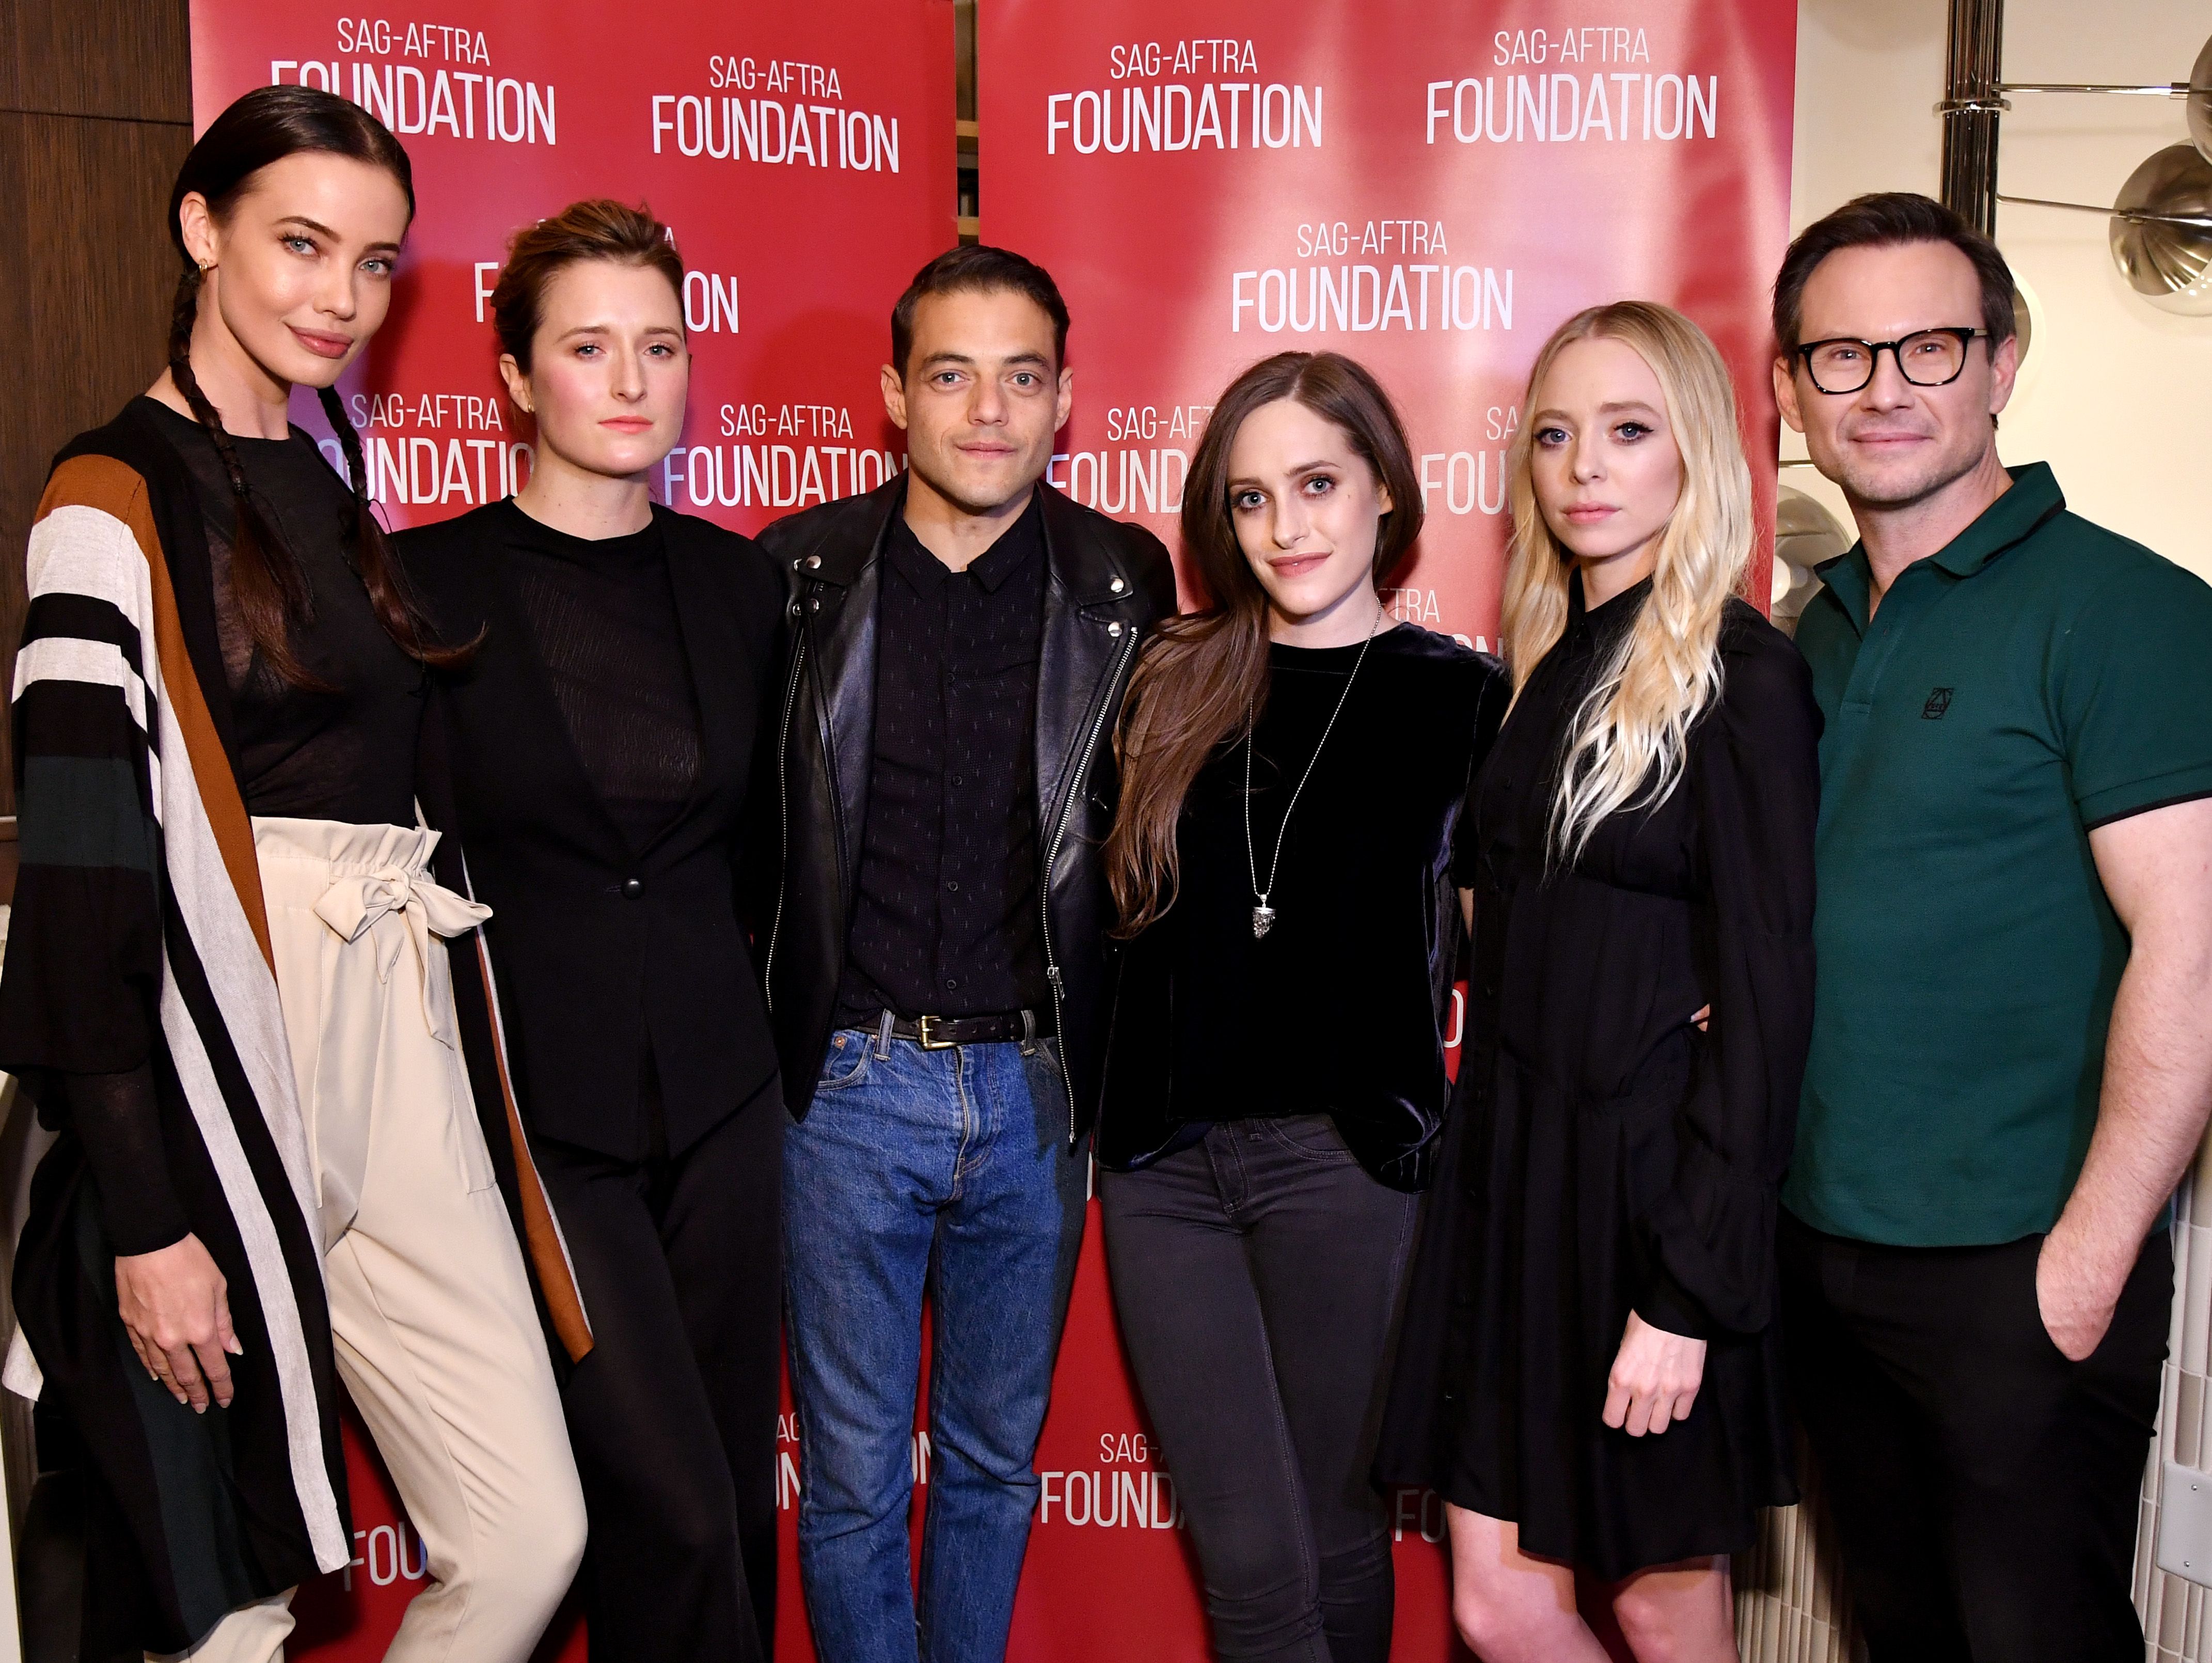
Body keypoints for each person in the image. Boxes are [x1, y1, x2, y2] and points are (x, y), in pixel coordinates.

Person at [0, 85, 584, 1663]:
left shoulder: (328, 479)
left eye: (376, 262)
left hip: (390, 1027)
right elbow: (80, 895)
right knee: (227, 1607)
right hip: (207, 1051)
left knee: (528, 1532)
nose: (341, 298)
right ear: (201, 228)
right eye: (302, 245)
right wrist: (144, 1223)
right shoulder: (105, 499)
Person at [1773, 191, 2212, 1663]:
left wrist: (2082, 1266)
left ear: (2002, 360)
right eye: (1840, 355)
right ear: (1790, 389)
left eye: (1931, 346)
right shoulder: (1811, 632)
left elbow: (2194, 947)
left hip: (2019, 1271)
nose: (1884, 387)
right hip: (1823, 1254)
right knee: (1899, 1635)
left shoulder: (2127, 610)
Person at [1376, 301, 1818, 1662]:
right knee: (1497, 1605)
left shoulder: (1742, 678)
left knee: (1655, 1608)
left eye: (1628, 431)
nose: (1583, 467)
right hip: (1512, 1188)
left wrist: (1687, 1293)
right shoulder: (1546, 667)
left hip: (1648, 1206)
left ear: (1695, 453)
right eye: (1556, 435)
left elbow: (1767, 1007)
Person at [755, 244, 1174, 1663]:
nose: (988, 409)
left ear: (1065, 397)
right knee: (856, 1481)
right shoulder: (801, 574)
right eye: (951, 374)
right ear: (894, 394)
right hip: (845, 1087)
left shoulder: (1121, 580)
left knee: (995, 1466)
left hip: (1037, 1096)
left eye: (1021, 376)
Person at [396, 199, 787, 1663]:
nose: (631, 380)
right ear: (514, 375)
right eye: (587, 347)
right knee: (667, 1507)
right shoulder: (421, 587)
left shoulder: (741, 584)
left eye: (660, 346)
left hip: (725, 1101)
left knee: (724, 1502)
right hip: (536, 1114)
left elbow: (767, 856)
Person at [1092, 351, 1508, 1663]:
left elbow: (1519, 955)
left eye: (1318, 484)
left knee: (1335, 1541)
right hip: (1162, 1172)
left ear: (1384, 487)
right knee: (1253, 1570)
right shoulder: (1167, 679)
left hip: (1349, 1165)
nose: (1287, 527)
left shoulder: (1460, 697)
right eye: (1253, 497)